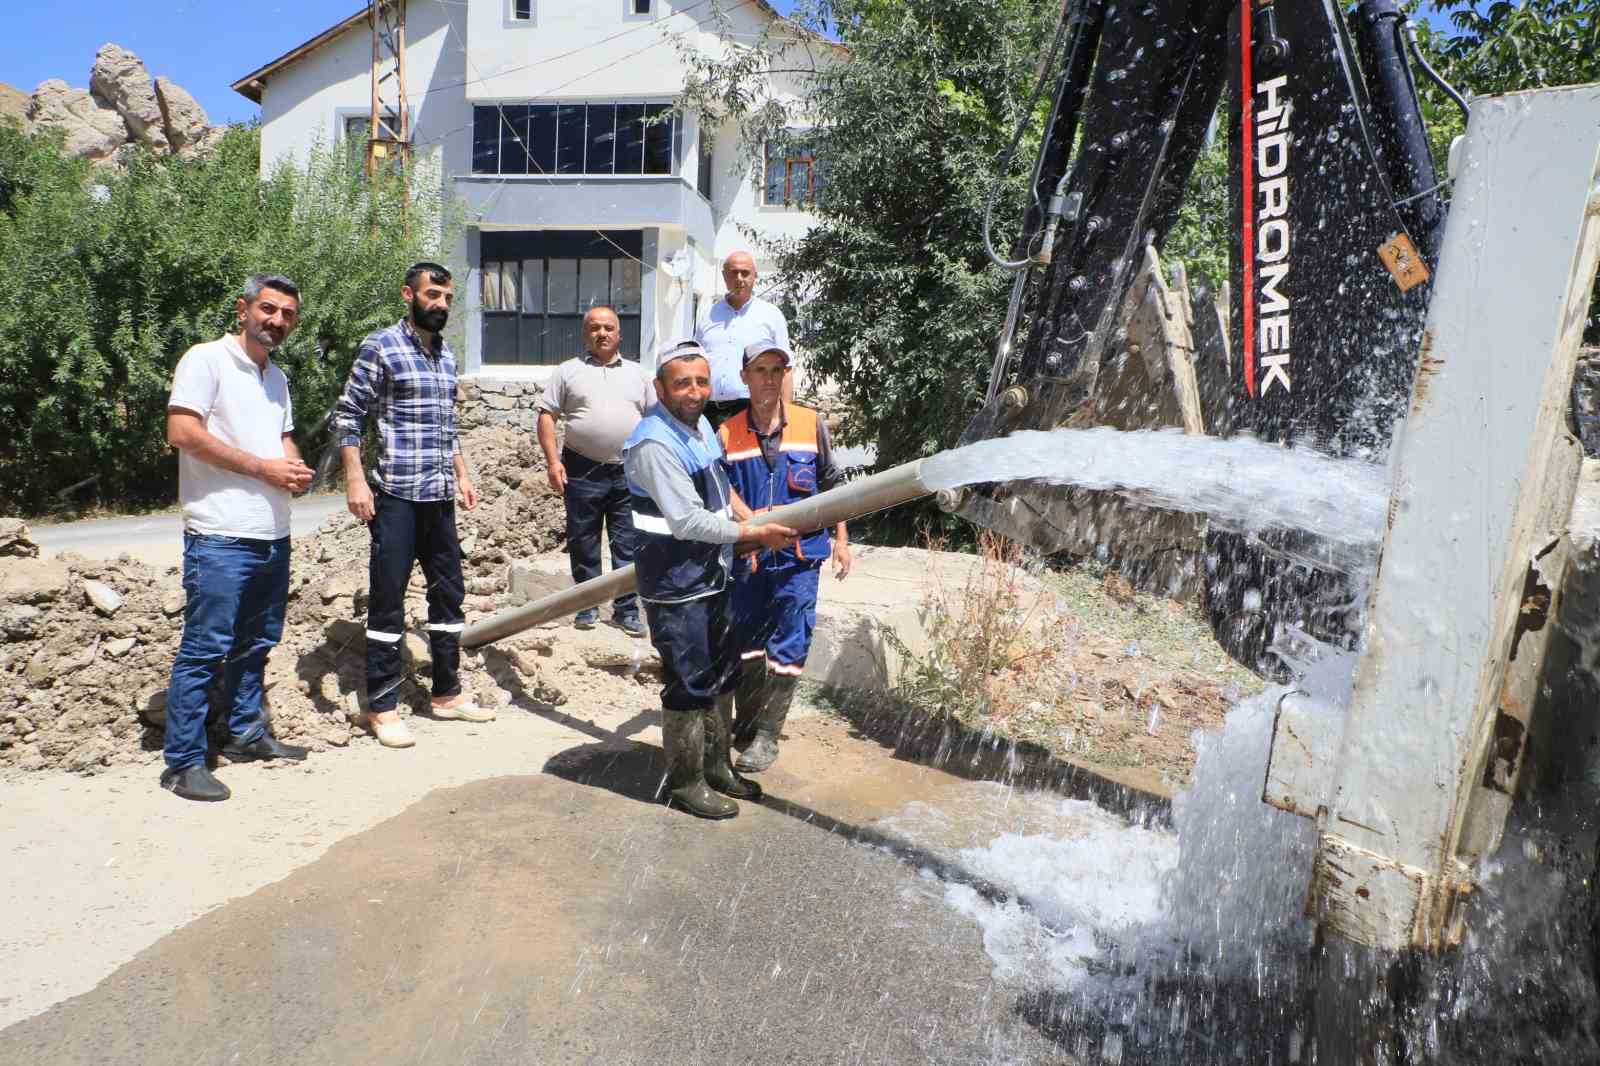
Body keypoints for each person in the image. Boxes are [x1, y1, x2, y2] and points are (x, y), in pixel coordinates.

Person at [622, 339, 797, 819]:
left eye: (701, 381)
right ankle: (685, 781)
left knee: (722, 672)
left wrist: (748, 517)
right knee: (688, 681)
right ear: (661, 388)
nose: (694, 391)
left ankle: (717, 767)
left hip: (712, 574)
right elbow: (689, 522)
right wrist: (753, 532)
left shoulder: (697, 424)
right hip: (676, 584)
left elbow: (720, 490)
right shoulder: (654, 443)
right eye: (682, 383)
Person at [162, 273, 314, 802]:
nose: (276, 321)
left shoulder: (276, 377)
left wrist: (293, 467)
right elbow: (181, 432)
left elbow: (282, 438)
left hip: (272, 533)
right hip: (220, 533)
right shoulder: (205, 360)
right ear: (242, 308)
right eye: (268, 309)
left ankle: (246, 734)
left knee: (257, 644)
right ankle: (183, 762)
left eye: (287, 314)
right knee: (206, 649)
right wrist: (263, 469)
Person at [334, 261, 489, 750]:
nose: (440, 304)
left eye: (446, 298)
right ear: (409, 294)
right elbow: (347, 415)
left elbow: (448, 427)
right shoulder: (381, 346)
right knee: (388, 600)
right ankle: (381, 707)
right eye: (431, 295)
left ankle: (446, 693)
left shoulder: (446, 356)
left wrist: (462, 475)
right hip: (396, 495)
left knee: (449, 597)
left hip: (439, 497)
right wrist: (355, 480)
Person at [719, 342, 852, 772]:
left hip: (799, 556)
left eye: (778, 369)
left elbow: (834, 485)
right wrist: (755, 529)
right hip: (751, 556)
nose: (770, 378)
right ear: (745, 377)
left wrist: (842, 539)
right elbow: (723, 492)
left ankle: (767, 736)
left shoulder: (811, 424)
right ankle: (750, 718)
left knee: (791, 639)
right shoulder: (727, 433)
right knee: (747, 641)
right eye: (761, 369)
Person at [536, 306, 653, 636]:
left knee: (628, 543)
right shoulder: (567, 372)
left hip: (630, 470)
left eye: (608, 327)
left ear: (619, 333)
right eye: (595, 328)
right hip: (581, 469)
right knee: (583, 540)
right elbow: (547, 417)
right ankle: (586, 607)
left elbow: (657, 419)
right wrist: (552, 462)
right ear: (585, 334)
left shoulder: (639, 375)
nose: (602, 333)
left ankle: (626, 610)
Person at [693, 251, 792, 428]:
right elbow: (696, 364)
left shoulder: (771, 315)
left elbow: (787, 369)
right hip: (708, 412)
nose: (739, 278)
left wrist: (785, 417)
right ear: (724, 276)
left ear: (755, 276)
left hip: (753, 409)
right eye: (733, 272)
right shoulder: (707, 314)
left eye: (745, 273)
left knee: (750, 456)